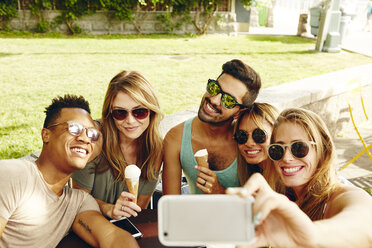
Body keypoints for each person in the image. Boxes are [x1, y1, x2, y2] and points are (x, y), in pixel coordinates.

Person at [0, 95, 139, 248]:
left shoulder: (79, 202)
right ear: (46, 135)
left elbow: (112, 237)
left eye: (92, 134)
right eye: (74, 128)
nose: (85, 139)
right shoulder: (13, 174)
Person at [228, 108, 372, 247]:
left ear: (323, 150)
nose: (286, 158)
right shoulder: (284, 193)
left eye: (299, 148)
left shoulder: (339, 194)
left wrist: (312, 234)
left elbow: (364, 221)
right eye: (278, 149)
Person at [72, 70, 163, 220]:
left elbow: (138, 210)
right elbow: (79, 202)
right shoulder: (92, 139)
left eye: (139, 112)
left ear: (151, 111)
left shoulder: (156, 149)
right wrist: (109, 209)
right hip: (87, 223)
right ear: (110, 113)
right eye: (120, 113)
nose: (130, 121)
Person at [163, 59, 261, 195]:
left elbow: (261, 205)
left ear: (239, 112)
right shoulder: (176, 138)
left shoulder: (248, 142)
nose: (214, 100)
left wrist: (219, 191)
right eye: (214, 88)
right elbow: (171, 204)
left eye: (228, 100)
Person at [233, 102, 279, 185]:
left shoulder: (288, 177)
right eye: (242, 135)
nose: (249, 143)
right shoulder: (251, 170)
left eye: (259, 135)